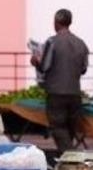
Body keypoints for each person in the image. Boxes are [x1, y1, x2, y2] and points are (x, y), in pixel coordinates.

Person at [31, 8, 89, 153]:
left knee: (58, 127)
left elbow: (44, 66)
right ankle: (66, 160)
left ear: (56, 22)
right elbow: (83, 69)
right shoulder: (81, 43)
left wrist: (35, 61)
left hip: (56, 92)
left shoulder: (52, 42)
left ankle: (70, 157)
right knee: (69, 129)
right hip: (75, 93)